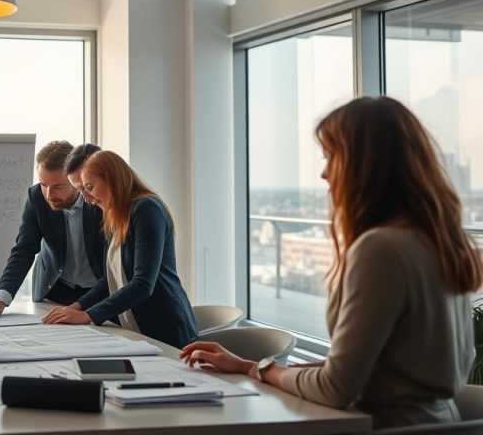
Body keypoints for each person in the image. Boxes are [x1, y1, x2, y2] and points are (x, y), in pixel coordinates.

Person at [181, 97, 481, 429]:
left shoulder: (380, 249)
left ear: (364, 166)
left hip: (376, 426)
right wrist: (249, 365)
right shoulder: (440, 241)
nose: (324, 174)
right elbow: (383, 366)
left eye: (330, 157)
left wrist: (258, 371)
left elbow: (335, 388)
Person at [42, 150, 198, 349]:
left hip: (165, 326)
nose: (87, 198)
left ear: (113, 178)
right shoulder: (117, 215)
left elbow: (143, 283)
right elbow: (111, 278)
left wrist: (88, 315)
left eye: (89, 187)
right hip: (136, 326)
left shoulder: (146, 209)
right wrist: (76, 307)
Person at [0, 141, 105, 319]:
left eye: (57, 186)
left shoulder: (99, 200)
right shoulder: (36, 198)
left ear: (76, 179)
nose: (49, 195)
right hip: (55, 290)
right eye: (43, 184)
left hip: (100, 291)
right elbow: (24, 250)